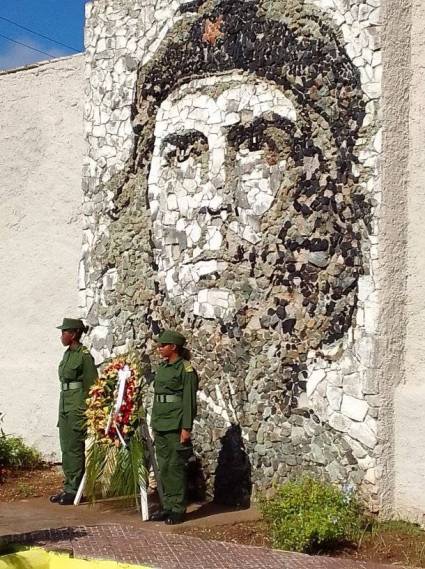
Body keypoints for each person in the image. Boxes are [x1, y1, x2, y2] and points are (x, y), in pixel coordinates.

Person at [149, 330, 198, 524]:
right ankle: (167, 506)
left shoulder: (185, 370)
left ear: (174, 347)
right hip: (161, 422)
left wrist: (186, 427)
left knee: (175, 466)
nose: (159, 348)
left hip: (175, 423)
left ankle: (178, 508)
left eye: (163, 345)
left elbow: (189, 401)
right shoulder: (163, 367)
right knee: (164, 466)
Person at [50, 318, 98, 505]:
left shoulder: (83, 355)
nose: (62, 336)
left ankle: (75, 489)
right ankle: (69, 485)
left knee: (75, 448)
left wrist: (89, 408)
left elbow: (92, 384)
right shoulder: (67, 354)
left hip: (77, 405)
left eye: (65, 332)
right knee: (66, 448)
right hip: (65, 404)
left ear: (74, 334)